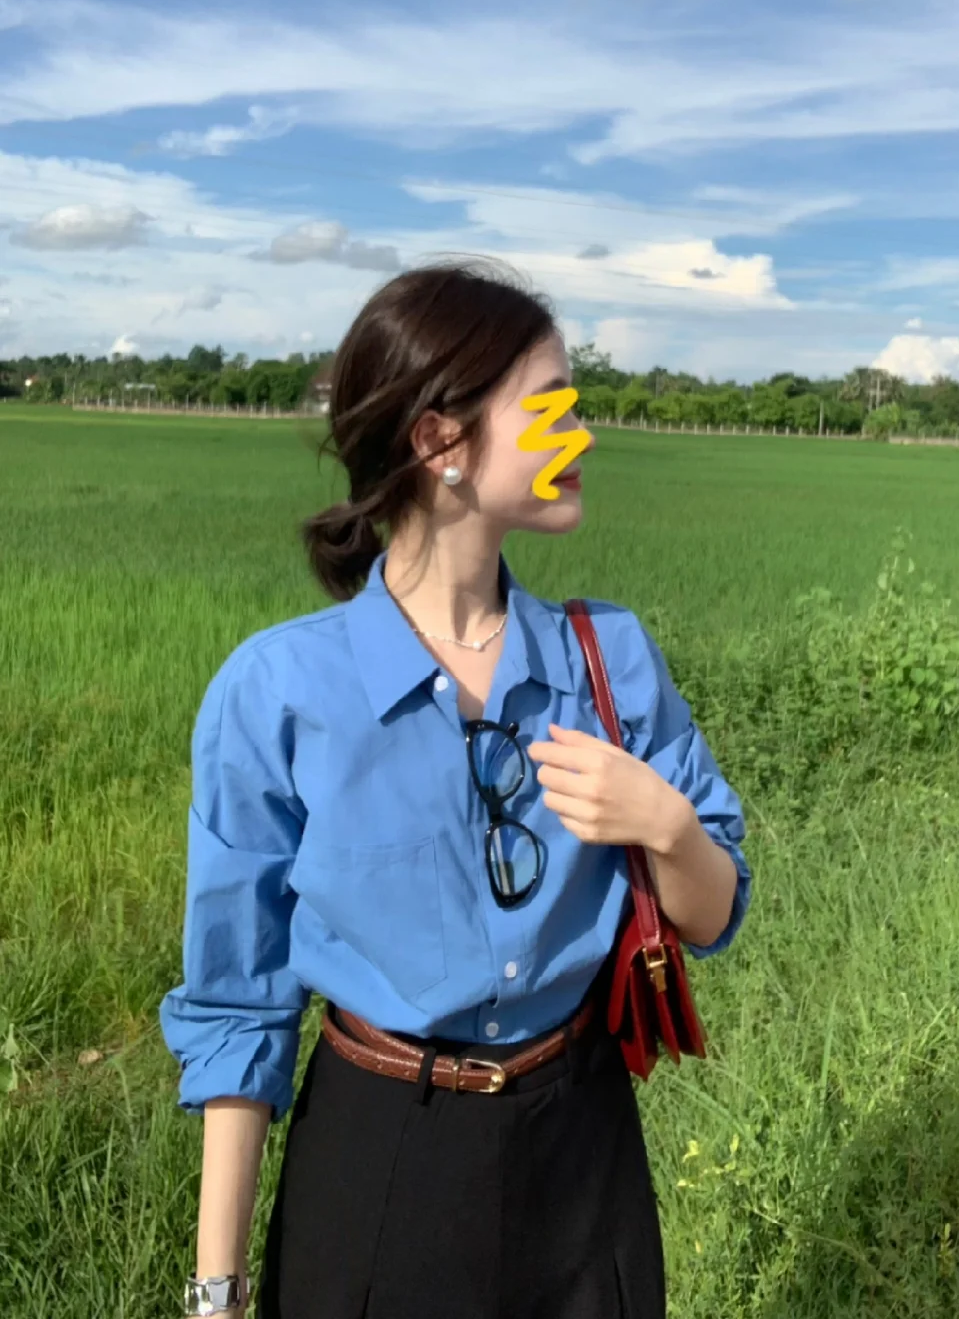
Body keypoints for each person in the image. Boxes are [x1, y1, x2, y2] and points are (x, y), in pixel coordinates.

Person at [159, 257, 752, 1319]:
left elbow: (712, 915)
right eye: (553, 406)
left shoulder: (608, 659)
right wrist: (215, 1293)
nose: (585, 436)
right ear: (441, 442)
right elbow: (239, 1005)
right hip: (381, 1159)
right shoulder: (281, 692)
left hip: (584, 1149)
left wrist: (663, 823)